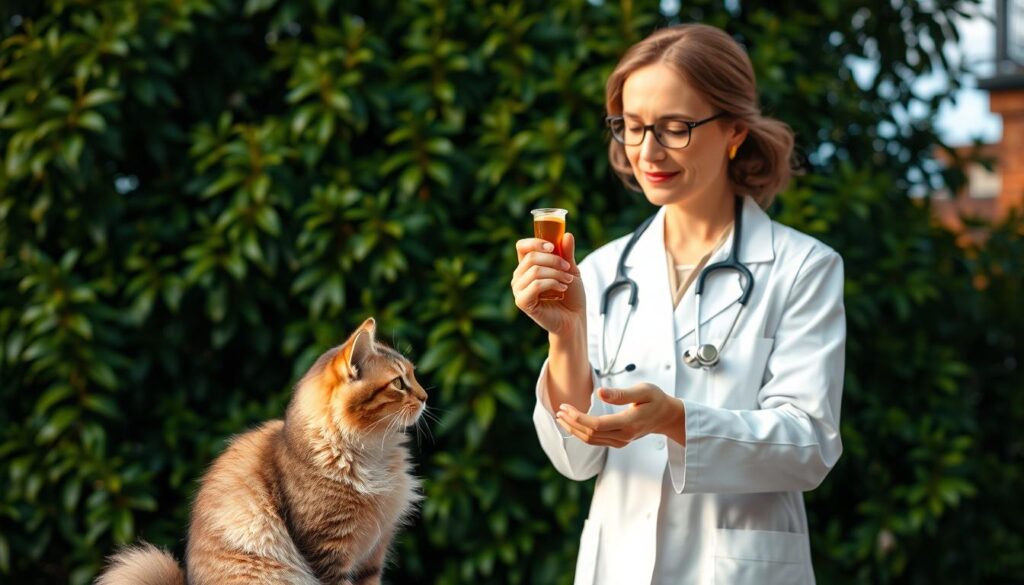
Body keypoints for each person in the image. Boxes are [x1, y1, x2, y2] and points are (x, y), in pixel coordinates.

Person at [510, 24, 845, 585]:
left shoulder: (803, 267)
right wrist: (564, 335)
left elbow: (808, 445)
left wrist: (678, 421)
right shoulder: (599, 272)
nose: (647, 152)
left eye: (675, 128)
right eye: (632, 128)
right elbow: (575, 461)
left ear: (735, 129)